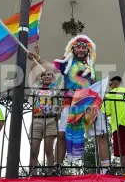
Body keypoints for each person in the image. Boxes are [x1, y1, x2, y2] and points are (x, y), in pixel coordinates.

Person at [28, 35, 110, 173]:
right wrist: (38, 59)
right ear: (73, 49)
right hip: (70, 103)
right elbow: (51, 67)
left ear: (88, 50)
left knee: (101, 134)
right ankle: (58, 167)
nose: (81, 49)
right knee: (61, 135)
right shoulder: (66, 62)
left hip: (90, 103)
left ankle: (106, 167)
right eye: (78, 46)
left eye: (84, 47)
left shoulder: (90, 64)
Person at [28, 46, 58, 175]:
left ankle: (50, 174)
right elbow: (33, 71)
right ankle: (33, 175)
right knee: (34, 150)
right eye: (44, 74)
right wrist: (35, 58)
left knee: (48, 149)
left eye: (49, 75)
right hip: (37, 120)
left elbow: (54, 69)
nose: (46, 76)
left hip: (51, 120)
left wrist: (40, 59)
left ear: (52, 77)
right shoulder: (36, 87)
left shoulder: (56, 88)